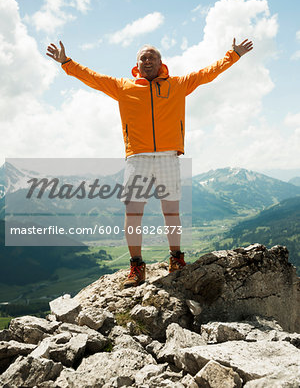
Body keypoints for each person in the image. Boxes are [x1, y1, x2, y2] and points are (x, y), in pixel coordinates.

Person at [46, 37, 253, 287]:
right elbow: (93, 78)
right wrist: (66, 62)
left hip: (168, 155)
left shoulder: (178, 84)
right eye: (143, 57)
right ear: (136, 64)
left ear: (161, 63)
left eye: (151, 57)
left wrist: (233, 55)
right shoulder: (124, 86)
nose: (147, 60)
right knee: (133, 212)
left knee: (171, 211)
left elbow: (207, 73)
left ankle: (176, 259)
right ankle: (136, 266)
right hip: (137, 156)